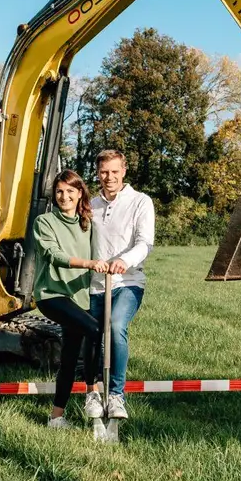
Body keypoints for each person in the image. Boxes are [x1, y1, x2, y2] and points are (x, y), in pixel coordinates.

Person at [29, 170, 109, 429]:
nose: (64, 196)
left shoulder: (87, 223)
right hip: (52, 295)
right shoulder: (44, 221)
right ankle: (91, 391)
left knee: (70, 357)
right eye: (60, 191)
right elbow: (53, 254)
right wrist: (89, 264)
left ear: (79, 194)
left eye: (70, 192)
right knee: (95, 329)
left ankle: (56, 417)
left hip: (79, 297)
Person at [86, 149, 154, 421]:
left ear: (124, 171)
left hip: (127, 282)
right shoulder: (91, 205)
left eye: (114, 171)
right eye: (104, 172)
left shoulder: (140, 201)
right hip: (95, 285)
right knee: (91, 334)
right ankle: (91, 393)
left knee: (115, 326)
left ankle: (116, 395)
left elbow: (144, 242)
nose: (109, 177)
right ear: (98, 173)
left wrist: (124, 261)